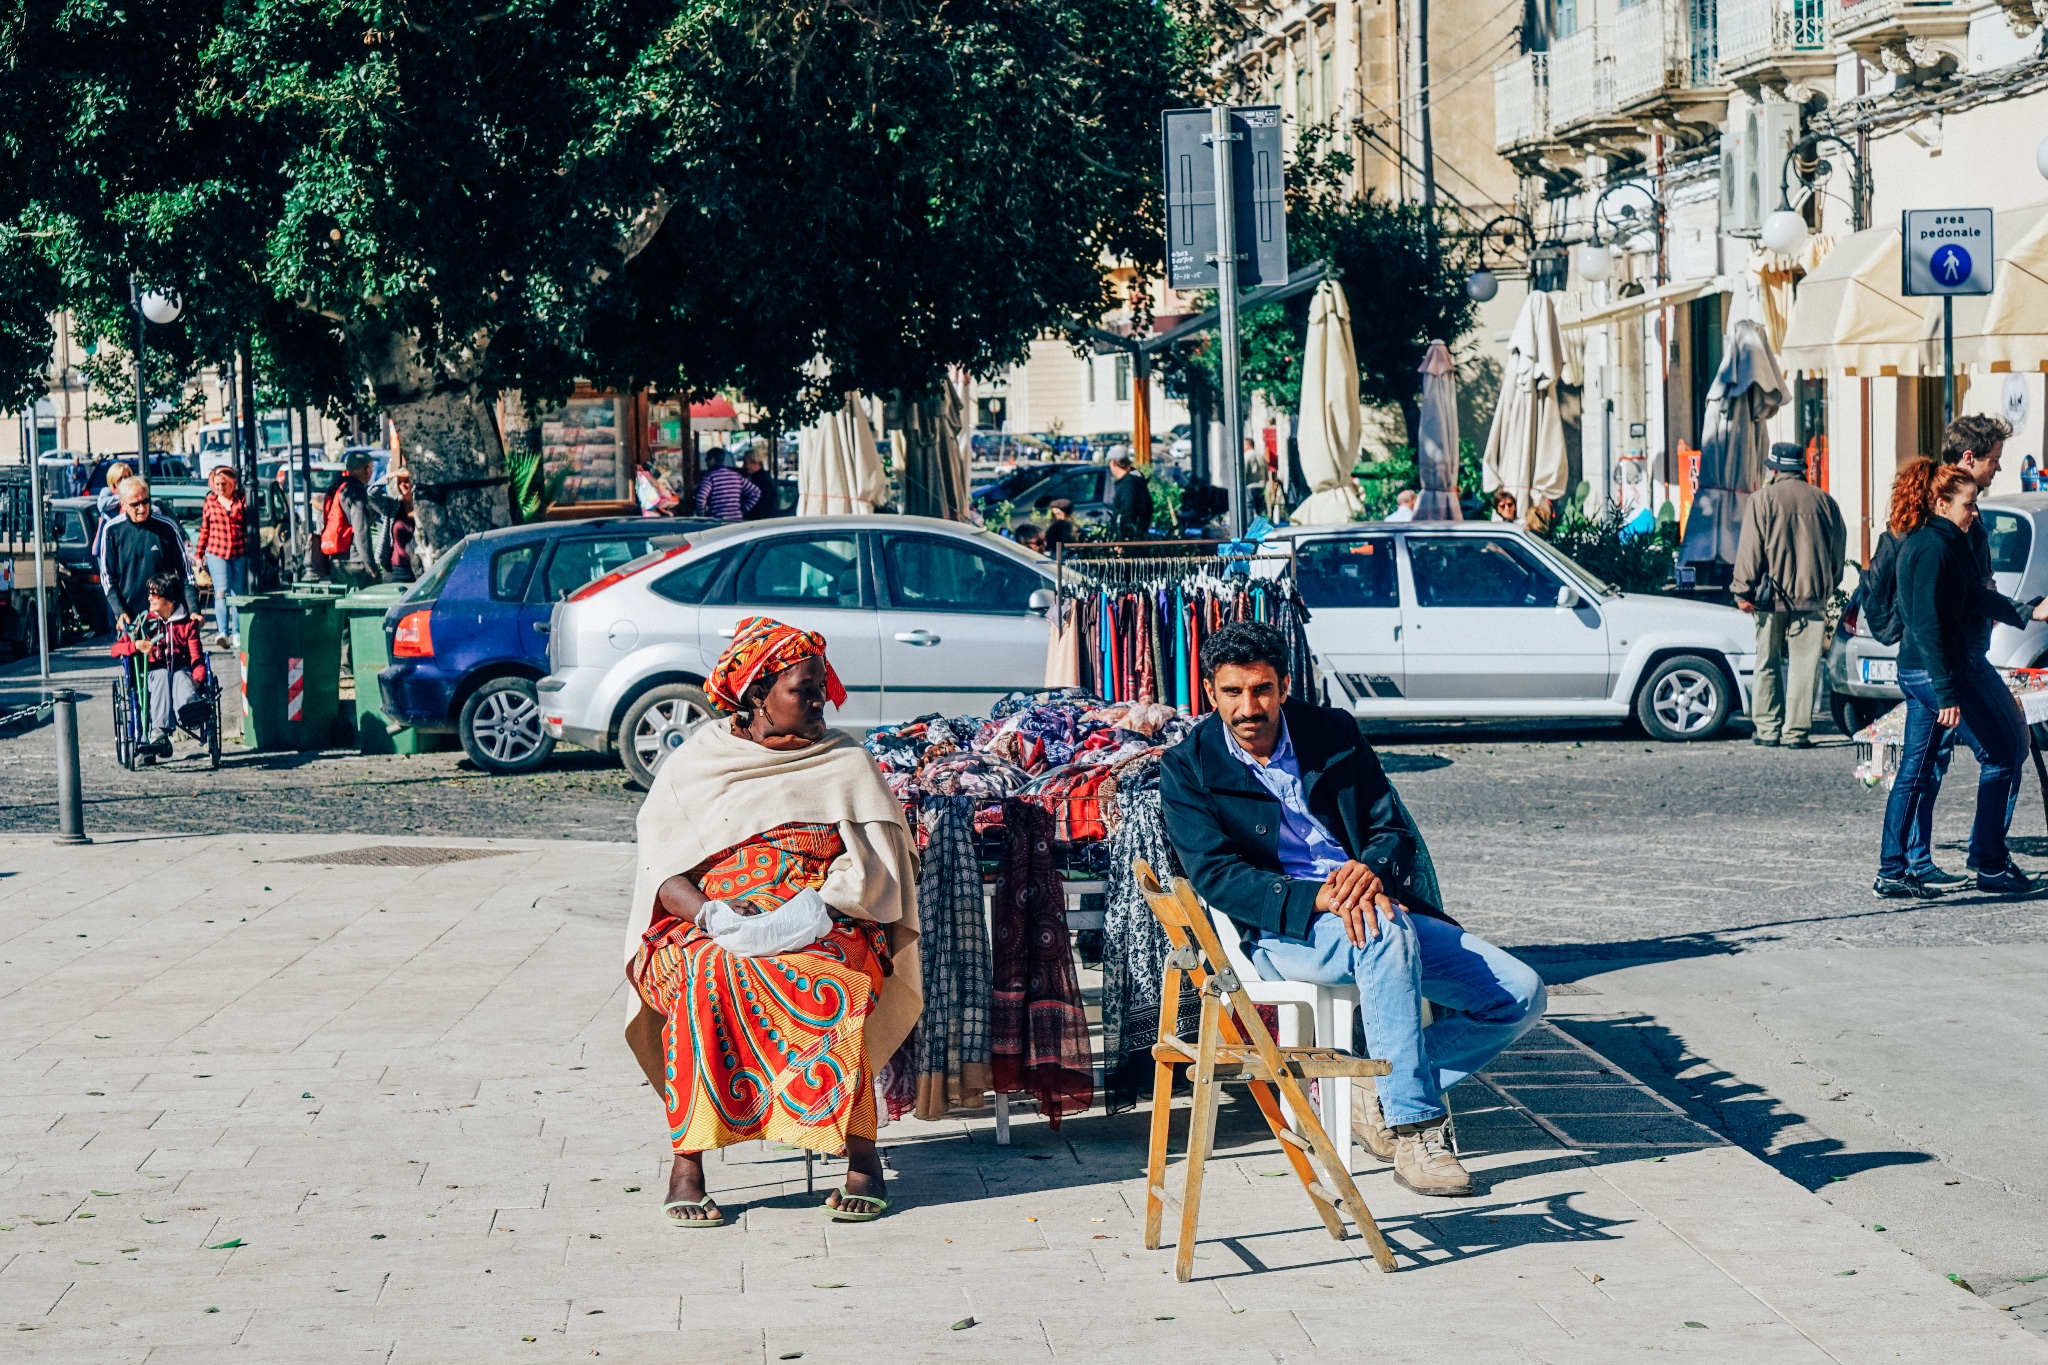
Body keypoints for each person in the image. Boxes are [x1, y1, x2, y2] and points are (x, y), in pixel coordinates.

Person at [1160, 622, 1546, 1197]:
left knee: (1519, 994)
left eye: (1262, 689)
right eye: (1233, 693)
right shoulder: (1188, 767)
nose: (1249, 707)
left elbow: (1392, 828)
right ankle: (1414, 1129)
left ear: (1284, 685)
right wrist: (1316, 896)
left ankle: (1369, 1088)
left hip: (1376, 903)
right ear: (1210, 693)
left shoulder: (1331, 732)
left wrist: (1371, 868)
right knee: (1384, 931)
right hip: (1285, 928)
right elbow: (1216, 875)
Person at [624, 617, 923, 1226]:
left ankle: (861, 1156)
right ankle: (689, 1161)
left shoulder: (843, 760)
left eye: (820, 688)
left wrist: (811, 912)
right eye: (804, 689)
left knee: (834, 983)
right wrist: (713, 916)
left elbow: (878, 862)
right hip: (708, 922)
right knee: (705, 976)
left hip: (830, 916)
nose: (822, 701)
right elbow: (661, 867)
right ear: (758, 693)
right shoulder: (698, 761)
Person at [1879, 458, 2048, 899]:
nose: (1976, 513)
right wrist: (1946, 690)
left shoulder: (1945, 540)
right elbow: (1925, 624)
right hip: (1944, 671)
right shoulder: (1933, 547)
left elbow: (1974, 598)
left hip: (1930, 671)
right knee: (2005, 750)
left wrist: (2028, 611)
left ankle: (1892, 871)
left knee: (1914, 771)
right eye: (1970, 505)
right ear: (1940, 502)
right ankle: (1989, 862)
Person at [1731, 442, 1847, 749]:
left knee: (1766, 661)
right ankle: (1796, 732)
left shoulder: (1763, 499)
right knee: (1804, 665)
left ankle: (1768, 730)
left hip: (1771, 596)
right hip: (1812, 596)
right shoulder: (1825, 501)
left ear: (1774, 469)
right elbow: (1838, 552)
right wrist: (1828, 584)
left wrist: (1742, 589)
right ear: (1801, 469)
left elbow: (1750, 550)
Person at [98, 476, 197, 629]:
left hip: (166, 616)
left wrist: (193, 609)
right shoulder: (112, 530)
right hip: (130, 618)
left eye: (145, 501)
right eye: (135, 504)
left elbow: (187, 573)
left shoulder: (167, 527)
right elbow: (107, 578)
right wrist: (120, 611)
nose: (142, 508)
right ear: (123, 504)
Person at [133, 572, 208, 760]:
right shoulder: (145, 623)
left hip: (181, 673)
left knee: (181, 676)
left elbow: (196, 658)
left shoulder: (187, 625)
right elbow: (117, 649)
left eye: (154, 594)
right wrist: (136, 645)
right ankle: (159, 733)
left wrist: (198, 680)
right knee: (162, 675)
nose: (149, 598)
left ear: (168, 600)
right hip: (154, 676)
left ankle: (190, 709)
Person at [194, 465, 250, 648]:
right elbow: (205, 529)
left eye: (223, 484)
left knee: (237, 593)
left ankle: (238, 633)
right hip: (217, 552)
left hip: (239, 551)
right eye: (216, 484)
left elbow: (248, 525)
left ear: (232, 484)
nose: (219, 488)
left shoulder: (241, 499)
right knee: (221, 591)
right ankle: (223, 631)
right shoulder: (210, 501)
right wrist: (199, 554)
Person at [321, 451, 377, 588]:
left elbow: (322, 522)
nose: (371, 473)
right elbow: (361, 531)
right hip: (356, 563)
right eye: (370, 468)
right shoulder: (356, 492)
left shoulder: (336, 489)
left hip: (336, 561)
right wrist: (371, 567)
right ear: (365, 469)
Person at [369, 467, 418, 582]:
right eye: (400, 482)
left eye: (407, 481)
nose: (403, 485)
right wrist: (391, 475)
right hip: (396, 568)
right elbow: (371, 496)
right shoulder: (392, 505)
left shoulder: (425, 507)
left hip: (422, 567)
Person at [694, 449, 762, 522]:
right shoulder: (736, 476)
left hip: (717, 521)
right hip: (736, 521)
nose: (706, 463)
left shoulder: (710, 477)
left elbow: (701, 498)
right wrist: (743, 509)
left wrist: (702, 515)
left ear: (712, 460)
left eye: (707, 460)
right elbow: (756, 492)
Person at [1107, 451, 1154, 540]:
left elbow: (1127, 511)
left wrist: (1121, 538)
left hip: (1129, 537)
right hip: (1138, 534)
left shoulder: (1127, 484)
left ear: (1113, 463)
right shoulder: (1136, 480)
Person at [739, 448, 778, 521]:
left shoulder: (760, 480)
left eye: (746, 463)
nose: (744, 466)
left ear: (755, 463)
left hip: (759, 519)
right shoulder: (764, 477)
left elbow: (761, 504)